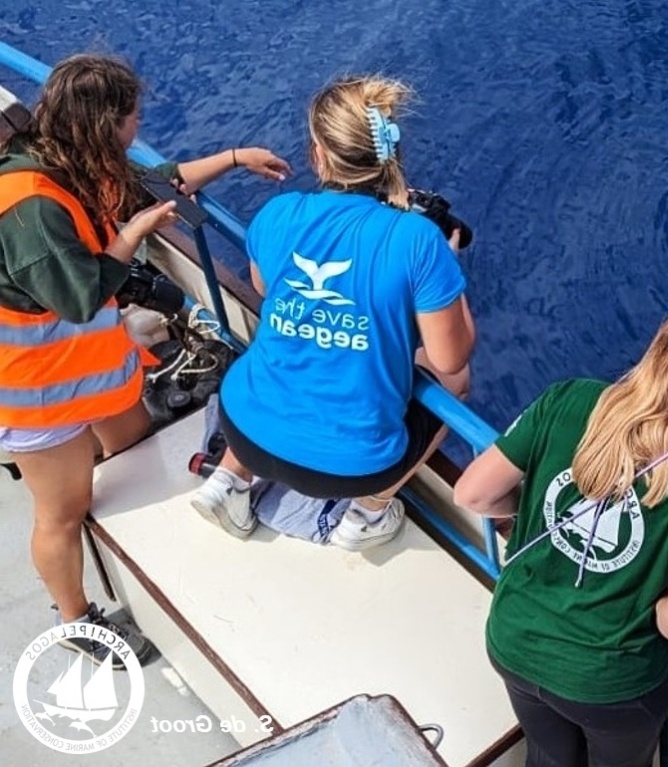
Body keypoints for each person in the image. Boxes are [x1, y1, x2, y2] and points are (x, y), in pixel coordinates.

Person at [0, 53, 290, 668]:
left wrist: (235, 157)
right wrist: (129, 239)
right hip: (36, 394)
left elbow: (158, 182)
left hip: (98, 371)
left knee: (138, 458)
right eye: (133, 117)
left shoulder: (76, 163)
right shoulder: (30, 206)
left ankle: (146, 571)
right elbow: (78, 299)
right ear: (107, 124)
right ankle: (76, 618)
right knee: (63, 510)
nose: (138, 127)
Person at [453, 297, 668, 767]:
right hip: (610, 684)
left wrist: (540, 517)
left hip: (515, 641)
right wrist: (653, 608)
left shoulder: (568, 398)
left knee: (547, 756)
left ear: (658, 349)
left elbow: (473, 495)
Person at [190, 75, 475, 552]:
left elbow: (264, 287)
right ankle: (368, 513)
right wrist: (447, 267)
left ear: (317, 154)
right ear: (392, 155)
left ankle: (226, 483)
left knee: (278, 356)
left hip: (242, 429)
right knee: (458, 381)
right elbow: (450, 357)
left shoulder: (278, 214)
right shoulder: (418, 241)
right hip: (351, 469)